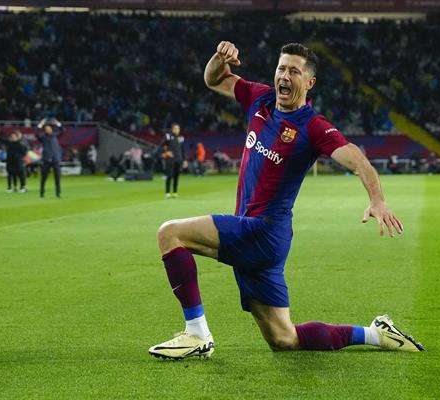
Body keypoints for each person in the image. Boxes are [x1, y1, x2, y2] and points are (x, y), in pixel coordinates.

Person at [149, 42, 422, 360]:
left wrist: (378, 200)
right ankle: (375, 334)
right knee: (284, 338)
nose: (285, 76)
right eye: (282, 68)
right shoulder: (259, 97)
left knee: (170, 233)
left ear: (309, 82)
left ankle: (196, 334)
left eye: (294, 71)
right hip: (265, 239)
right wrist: (218, 58)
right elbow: (214, 79)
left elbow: (358, 161)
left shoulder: (314, 126)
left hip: (262, 232)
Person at [36, 118, 63, 198]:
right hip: (46, 159)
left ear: (51, 129)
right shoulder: (43, 137)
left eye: (49, 128)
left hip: (55, 159)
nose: (48, 130)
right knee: (43, 178)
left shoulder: (55, 135)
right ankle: (42, 193)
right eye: (46, 129)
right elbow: (36, 134)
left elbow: (63, 130)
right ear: (45, 130)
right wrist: (40, 125)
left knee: (57, 178)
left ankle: (58, 193)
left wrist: (58, 123)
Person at [160, 123, 186, 198]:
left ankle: (175, 192)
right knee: (169, 176)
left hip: (179, 159)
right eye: (176, 128)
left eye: (178, 129)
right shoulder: (168, 136)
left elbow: (182, 149)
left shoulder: (181, 138)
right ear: (172, 129)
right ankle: (167, 193)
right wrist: (166, 152)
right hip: (170, 160)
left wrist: (184, 160)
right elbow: (161, 146)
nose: (177, 130)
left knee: (176, 176)